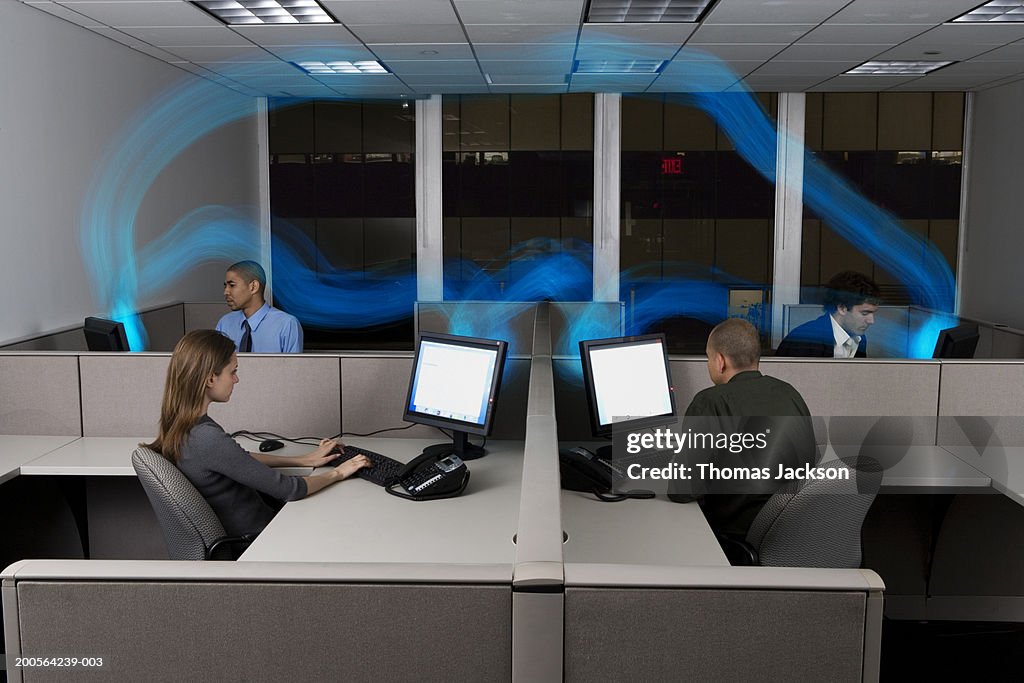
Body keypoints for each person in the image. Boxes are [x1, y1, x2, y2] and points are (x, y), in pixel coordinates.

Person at [145, 330, 369, 539]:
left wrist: (304, 459)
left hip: (257, 528)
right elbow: (290, 489)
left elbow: (237, 459)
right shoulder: (206, 438)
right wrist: (339, 473)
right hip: (260, 539)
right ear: (210, 379)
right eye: (232, 372)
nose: (236, 380)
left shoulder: (182, 425)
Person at [669, 318, 816, 540]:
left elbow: (681, 490)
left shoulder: (710, 401)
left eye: (708, 358)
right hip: (789, 529)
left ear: (720, 361)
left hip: (734, 534)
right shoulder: (789, 393)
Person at [775, 270, 881, 358]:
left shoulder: (859, 339)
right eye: (865, 313)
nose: (871, 321)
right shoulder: (804, 340)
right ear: (842, 308)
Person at [215, 260, 303, 353]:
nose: (226, 292)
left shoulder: (286, 324)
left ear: (253, 287)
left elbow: (294, 367)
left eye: (232, 285)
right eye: (225, 286)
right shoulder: (225, 324)